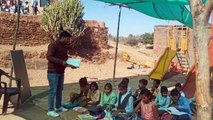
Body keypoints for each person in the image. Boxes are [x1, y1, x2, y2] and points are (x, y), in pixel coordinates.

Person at [46, 31, 76, 117]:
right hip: (53, 72)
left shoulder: (64, 47)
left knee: (59, 90)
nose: (68, 40)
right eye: (67, 39)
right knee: (53, 91)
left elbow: (66, 59)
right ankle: (50, 110)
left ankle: (58, 106)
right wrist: (61, 62)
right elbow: (49, 56)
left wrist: (71, 64)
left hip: (61, 72)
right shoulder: (53, 45)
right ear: (62, 37)